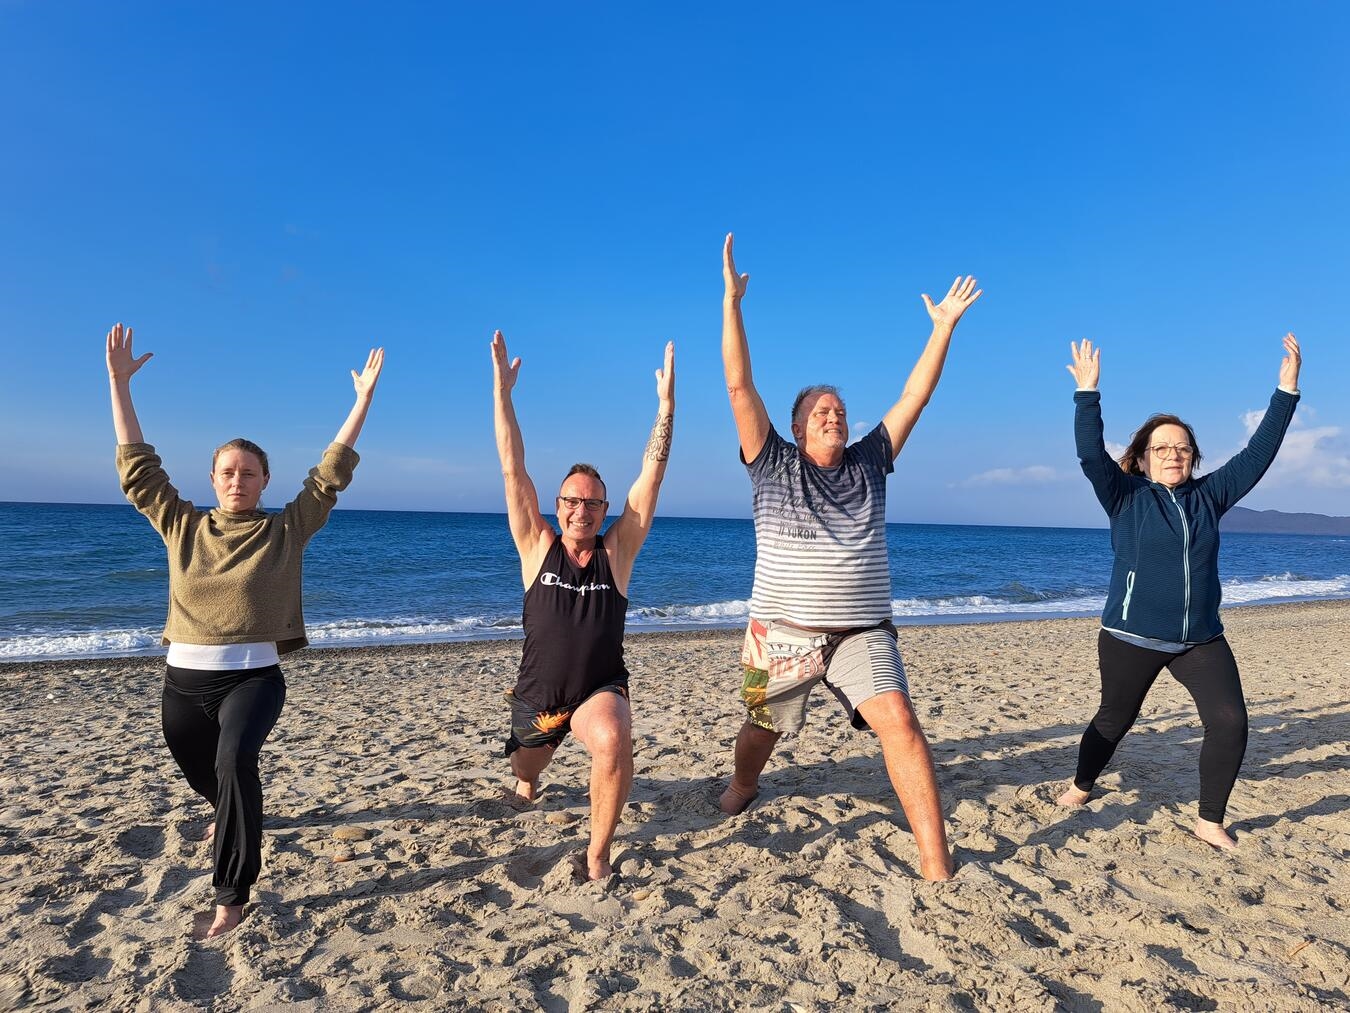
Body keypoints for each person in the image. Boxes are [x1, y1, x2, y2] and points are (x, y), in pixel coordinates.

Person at [717, 233, 981, 882]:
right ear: (797, 427)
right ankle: (742, 785)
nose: (833, 416)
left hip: (863, 633)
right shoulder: (772, 464)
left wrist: (942, 329)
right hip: (782, 633)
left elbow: (914, 397)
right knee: (762, 729)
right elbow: (738, 385)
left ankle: (937, 862)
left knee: (901, 722)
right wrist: (732, 303)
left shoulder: (870, 461)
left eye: (838, 410)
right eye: (820, 411)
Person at [107, 322, 384, 938]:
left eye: (249, 473)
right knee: (211, 778)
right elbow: (138, 470)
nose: (238, 481)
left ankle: (230, 897)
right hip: (182, 684)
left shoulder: (286, 529)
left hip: (253, 679)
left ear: (264, 481)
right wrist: (119, 384)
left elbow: (330, 474)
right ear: (212, 479)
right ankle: (235, 812)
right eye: (228, 472)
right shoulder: (182, 525)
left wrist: (362, 401)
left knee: (235, 761)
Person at [1057, 334, 1302, 850]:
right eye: (1162, 448)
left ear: (1193, 457)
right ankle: (1082, 783)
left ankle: (1209, 820)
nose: (1174, 455)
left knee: (1231, 722)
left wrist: (1285, 392)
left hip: (1200, 639)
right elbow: (1090, 456)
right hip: (1131, 637)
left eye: (1183, 448)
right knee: (1114, 720)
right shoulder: (1125, 496)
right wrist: (1087, 395)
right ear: (1143, 458)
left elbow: (1259, 453)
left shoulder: (1210, 495)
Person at [490, 329, 673, 881]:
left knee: (614, 739)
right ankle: (528, 781)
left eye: (593, 503)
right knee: (527, 764)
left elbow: (651, 478)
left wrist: (666, 407)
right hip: (540, 693)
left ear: (604, 509)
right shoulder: (536, 546)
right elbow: (512, 467)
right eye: (572, 501)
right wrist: (503, 393)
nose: (582, 511)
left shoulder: (617, 553)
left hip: (599, 686)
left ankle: (597, 854)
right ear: (558, 504)